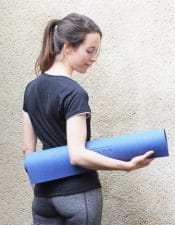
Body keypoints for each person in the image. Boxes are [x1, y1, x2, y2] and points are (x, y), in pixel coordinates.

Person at [22, 12, 154, 225]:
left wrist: (38, 188)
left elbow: (27, 150)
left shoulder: (31, 89)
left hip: (43, 198)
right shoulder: (73, 93)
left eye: (96, 52)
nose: (94, 58)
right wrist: (126, 166)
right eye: (89, 51)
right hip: (79, 194)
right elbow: (77, 155)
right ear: (68, 48)